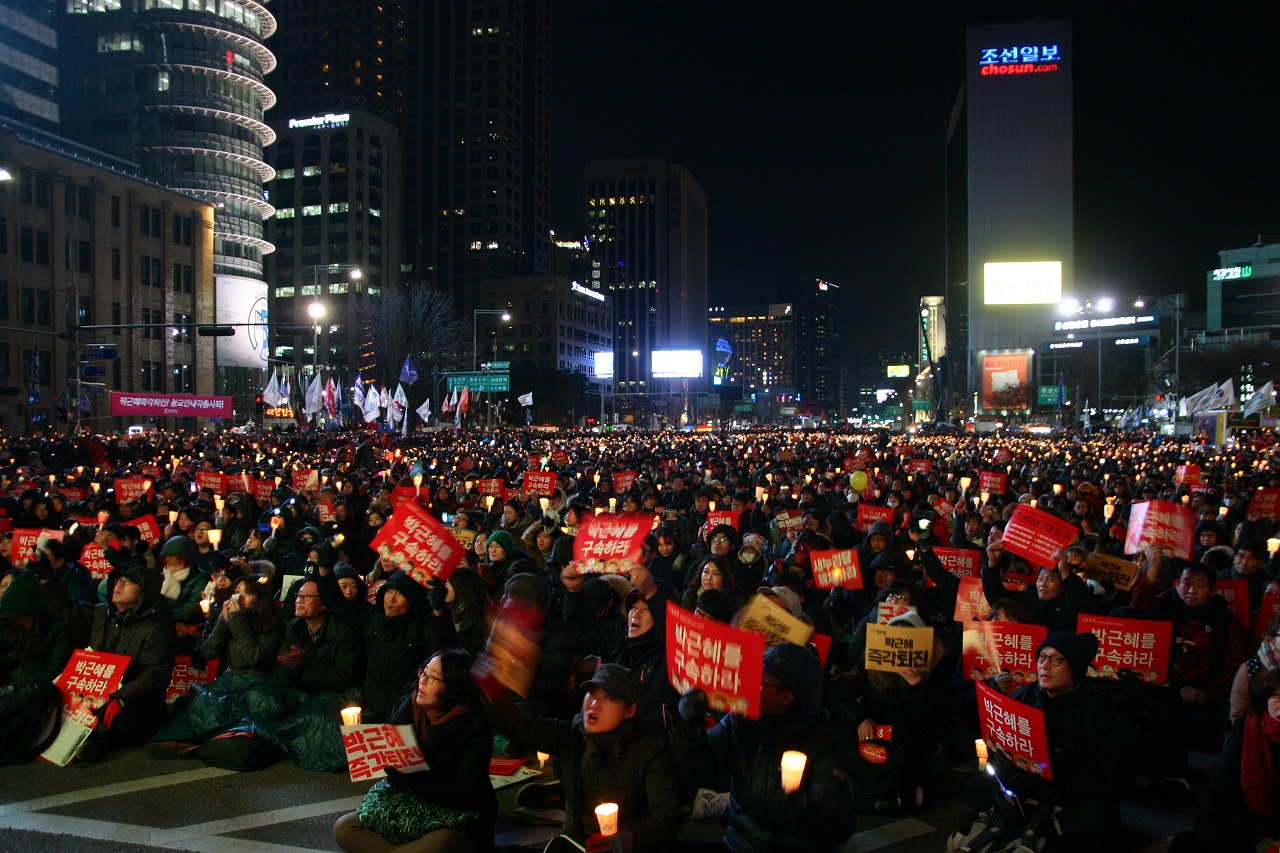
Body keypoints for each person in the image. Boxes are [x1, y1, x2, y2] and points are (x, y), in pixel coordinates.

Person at [477, 661, 683, 853]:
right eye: (592, 693)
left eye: (609, 697)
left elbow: (668, 814)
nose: (595, 703)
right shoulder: (572, 734)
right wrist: (493, 691)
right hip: (576, 841)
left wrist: (632, 835)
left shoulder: (650, 750)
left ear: (629, 710)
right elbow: (519, 727)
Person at [677, 642, 858, 853]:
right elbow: (700, 771)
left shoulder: (822, 748)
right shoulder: (740, 722)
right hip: (739, 844)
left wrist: (795, 800)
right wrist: (691, 728)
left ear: (786, 696)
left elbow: (838, 828)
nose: (751, 685)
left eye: (761, 682)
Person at [957, 631, 1120, 852]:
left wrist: (1049, 788)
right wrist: (1005, 774)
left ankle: (1033, 826)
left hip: (1063, 794)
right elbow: (999, 744)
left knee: (1101, 817)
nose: (1045, 666)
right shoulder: (1025, 695)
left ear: (1076, 667)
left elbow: (1101, 778)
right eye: (1042, 657)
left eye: (1056, 659)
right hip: (1022, 786)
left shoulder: (1094, 714)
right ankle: (1023, 819)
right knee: (973, 784)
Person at [333, 648, 497, 853]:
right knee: (345, 828)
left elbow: (466, 793)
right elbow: (394, 774)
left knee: (445, 842)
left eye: (432, 678)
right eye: (423, 673)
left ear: (455, 688)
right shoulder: (408, 706)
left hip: (452, 815)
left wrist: (414, 774)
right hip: (407, 808)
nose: (422, 681)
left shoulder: (475, 723)